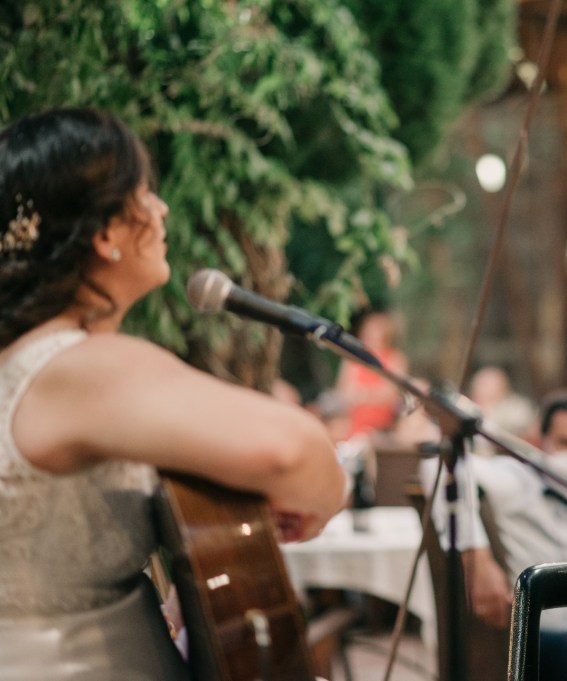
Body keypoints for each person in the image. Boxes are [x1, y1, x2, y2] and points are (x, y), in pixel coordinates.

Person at [0, 108, 348, 680]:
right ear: (106, 234)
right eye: (144, 194)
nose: (162, 209)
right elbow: (296, 452)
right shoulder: (80, 366)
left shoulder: (26, 360)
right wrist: (314, 497)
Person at [422, 391, 567, 679]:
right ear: (541, 441)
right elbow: (437, 466)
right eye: (564, 443)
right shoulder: (518, 480)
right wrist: (476, 556)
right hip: (544, 632)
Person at [334, 309, 409, 440]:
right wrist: (372, 394)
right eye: (369, 331)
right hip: (352, 421)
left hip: (383, 425)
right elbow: (343, 393)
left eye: (376, 331)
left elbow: (390, 395)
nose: (372, 335)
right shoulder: (353, 359)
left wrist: (361, 394)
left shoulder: (395, 358)